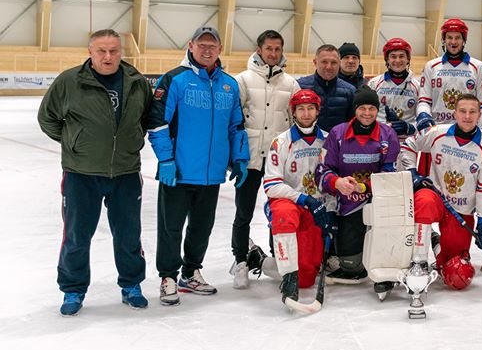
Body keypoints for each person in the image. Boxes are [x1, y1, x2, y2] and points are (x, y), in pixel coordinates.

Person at [38, 29, 153, 316]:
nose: (108, 56)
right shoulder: (70, 81)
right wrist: (75, 144)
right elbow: (47, 118)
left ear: (121, 52)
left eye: (114, 51)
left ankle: (131, 285)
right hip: (81, 173)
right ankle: (73, 289)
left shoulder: (137, 82)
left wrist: (130, 142)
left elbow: (146, 118)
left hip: (126, 172)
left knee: (129, 234)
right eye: (101, 51)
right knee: (77, 235)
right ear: (90, 52)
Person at [147, 26, 250, 306]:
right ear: (190, 46)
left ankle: (191, 272)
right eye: (201, 45)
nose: (207, 50)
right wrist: (166, 160)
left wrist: (240, 159)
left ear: (220, 49)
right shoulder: (175, 79)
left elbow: (236, 126)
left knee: (202, 227)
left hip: (211, 174)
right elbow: (157, 123)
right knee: (171, 227)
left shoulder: (229, 85)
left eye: (212, 45)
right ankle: (168, 277)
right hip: (178, 173)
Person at [399, 94, 482, 290]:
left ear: (479, 115)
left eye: (472, 112)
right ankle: (419, 261)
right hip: (435, 196)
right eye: (462, 111)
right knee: (424, 201)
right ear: (455, 113)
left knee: (454, 273)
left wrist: (481, 221)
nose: (467, 116)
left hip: (461, 210)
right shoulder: (437, 132)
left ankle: (436, 242)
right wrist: (412, 172)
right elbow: (408, 145)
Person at [231, 30, 300, 288]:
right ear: (259, 50)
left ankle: (279, 257)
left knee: (279, 211)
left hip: (277, 162)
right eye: (268, 48)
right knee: (243, 213)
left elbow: (295, 123)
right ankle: (240, 261)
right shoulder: (243, 80)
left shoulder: (291, 84)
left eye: (277, 49)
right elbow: (234, 121)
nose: (273, 53)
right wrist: (235, 156)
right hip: (249, 160)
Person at [317, 87, 400, 287]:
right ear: (355, 109)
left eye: (372, 108)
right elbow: (322, 171)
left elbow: (390, 175)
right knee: (351, 266)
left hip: (376, 202)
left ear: (377, 110)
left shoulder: (388, 134)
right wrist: (337, 182)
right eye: (362, 108)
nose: (367, 113)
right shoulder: (338, 133)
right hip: (346, 205)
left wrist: (364, 187)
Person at [262, 90, 331, 308]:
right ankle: (289, 278)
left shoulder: (329, 140)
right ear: (293, 112)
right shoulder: (281, 142)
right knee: (284, 213)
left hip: (316, 209)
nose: (306, 113)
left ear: (318, 111)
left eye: (310, 108)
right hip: (290, 204)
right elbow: (272, 185)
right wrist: (303, 199)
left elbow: (333, 179)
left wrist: (330, 210)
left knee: (307, 279)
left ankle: (260, 260)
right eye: (301, 109)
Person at [416, 18, 482, 132]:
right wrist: (423, 114)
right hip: (437, 130)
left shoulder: (478, 67)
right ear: (444, 39)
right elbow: (424, 101)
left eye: (458, 37)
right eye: (449, 37)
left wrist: (481, 132)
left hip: (466, 131)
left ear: (464, 40)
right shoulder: (431, 66)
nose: (453, 42)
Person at [368, 37, 420, 140]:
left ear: (408, 59)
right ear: (387, 59)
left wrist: (410, 128)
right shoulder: (374, 84)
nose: (397, 60)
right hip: (380, 139)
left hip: (407, 141)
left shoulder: (417, 86)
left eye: (401, 56)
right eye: (393, 56)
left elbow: (423, 117)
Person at [298, 44, 357, 133]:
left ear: (339, 64)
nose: (329, 67)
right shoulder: (300, 86)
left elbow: (352, 124)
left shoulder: (350, 91)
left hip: (338, 141)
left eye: (333, 62)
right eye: (324, 62)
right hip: (306, 141)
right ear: (315, 62)